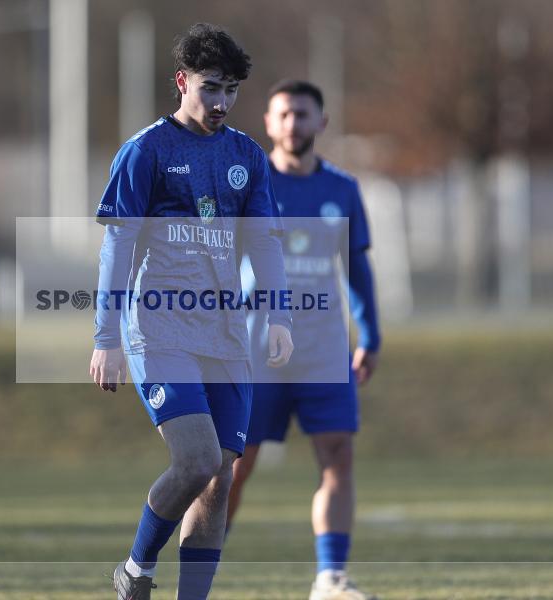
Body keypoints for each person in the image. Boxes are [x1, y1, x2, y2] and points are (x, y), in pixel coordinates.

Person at [90, 23, 293, 600]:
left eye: (231, 90)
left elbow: (265, 243)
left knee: (219, 478)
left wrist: (279, 315)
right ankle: (136, 568)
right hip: (159, 330)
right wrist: (106, 337)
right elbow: (117, 245)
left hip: (225, 335)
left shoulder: (246, 155)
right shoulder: (146, 151)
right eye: (211, 88)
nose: (221, 102)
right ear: (182, 82)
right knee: (198, 460)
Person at [226, 80, 381, 600]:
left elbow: (356, 268)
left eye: (303, 114)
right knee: (232, 469)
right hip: (255, 352)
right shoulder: (247, 186)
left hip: (324, 353)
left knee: (338, 457)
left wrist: (370, 334)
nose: (293, 123)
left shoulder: (343, 189)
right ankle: (197, 575)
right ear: (269, 123)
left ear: (322, 122)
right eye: (284, 114)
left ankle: (330, 579)